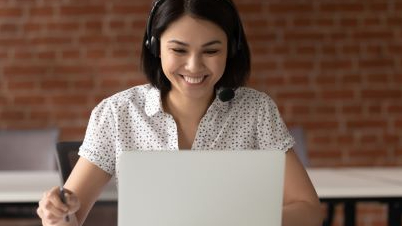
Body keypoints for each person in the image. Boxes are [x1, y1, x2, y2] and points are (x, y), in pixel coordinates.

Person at [37, 0, 323, 225]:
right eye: (179, 50)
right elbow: (70, 217)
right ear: (155, 47)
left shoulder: (256, 110)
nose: (194, 66)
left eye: (211, 51)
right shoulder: (118, 113)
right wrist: (57, 214)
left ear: (232, 50)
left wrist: (247, 222)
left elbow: (309, 210)